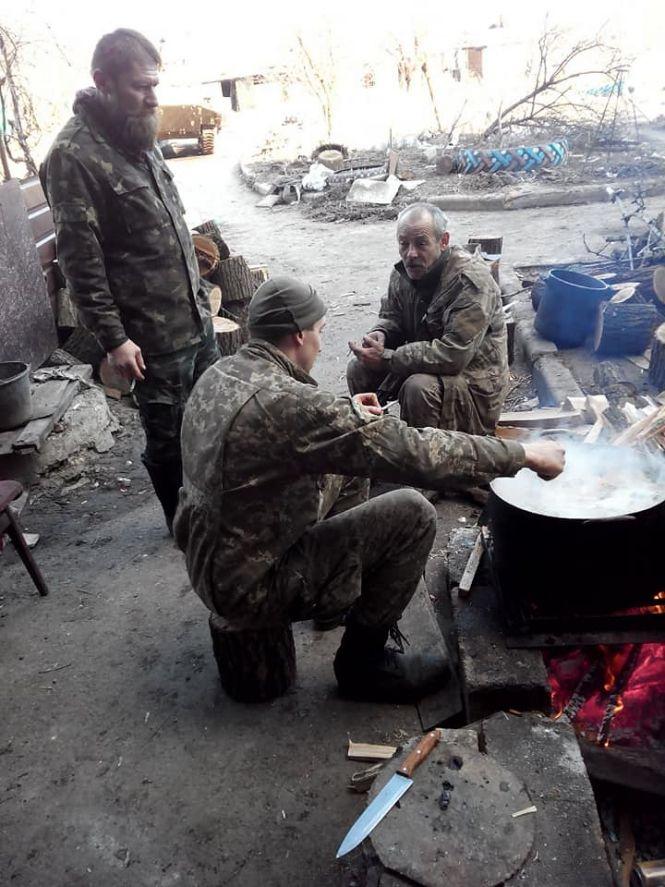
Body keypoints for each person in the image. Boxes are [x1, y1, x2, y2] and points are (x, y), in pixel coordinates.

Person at [174, 276, 565, 703]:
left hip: (212, 558)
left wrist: (348, 416)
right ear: (299, 335)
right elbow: (420, 453)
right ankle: (363, 664)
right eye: (320, 331)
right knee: (413, 514)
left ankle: (335, 600)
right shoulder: (286, 402)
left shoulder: (222, 373)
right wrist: (523, 454)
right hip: (249, 589)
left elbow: (286, 431)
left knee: (352, 464)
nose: (321, 344)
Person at [40, 29, 218, 531]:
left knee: (212, 418)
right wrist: (115, 339)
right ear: (103, 82)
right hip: (150, 339)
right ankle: (183, 528)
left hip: (194, 317)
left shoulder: (137, 133)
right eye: (141, 86)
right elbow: (80, 263)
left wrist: (201, 298)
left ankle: (215, 509)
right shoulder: (73, 156)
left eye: (154, 85)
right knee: (168, 439)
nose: (153, 97)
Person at [347, 202, 508, 435]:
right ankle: (378, 442)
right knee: (359, 368)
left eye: (421, 243)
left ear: (443, 241)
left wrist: (388, 358)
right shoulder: (404, 273)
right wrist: (381, 333)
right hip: (428, 367)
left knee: (418, 388)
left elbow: (453, 356)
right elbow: (392, 316)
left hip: (474, 386)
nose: (410, 253)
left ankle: (428, 454)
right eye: (404, 244)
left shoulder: (470, 282)